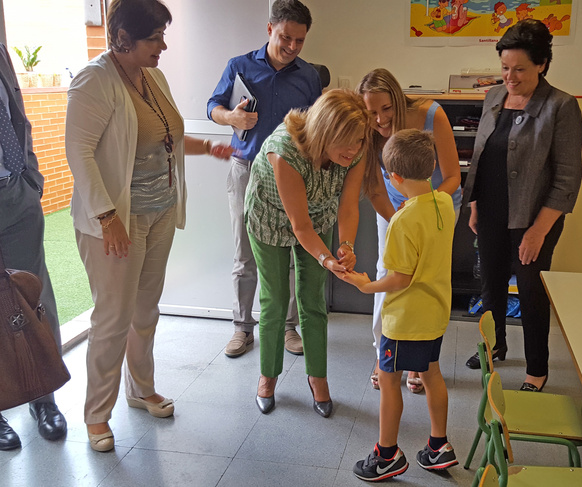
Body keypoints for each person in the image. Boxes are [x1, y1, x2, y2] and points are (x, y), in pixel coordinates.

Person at [65, 0, 233, 452]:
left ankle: (141, 390)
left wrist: (205, 149)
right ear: (124, 38)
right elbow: (78, 155)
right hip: (115, 221)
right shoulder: (94, 81)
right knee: (112, 318)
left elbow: (166, 134)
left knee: (145, 310)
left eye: (163, 35)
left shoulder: (152, 76)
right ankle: (97, 416)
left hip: (159, 212)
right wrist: (106, 217)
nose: (163, 45)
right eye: (155, 36)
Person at [463, 19, 582, 392]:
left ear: (542, 64)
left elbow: (567, 178)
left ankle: (537, 368)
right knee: (490, 282)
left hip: (534, 218)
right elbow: (484, 156)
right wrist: (476, 205)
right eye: (504, 68)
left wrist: (537, 231)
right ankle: (495, 344)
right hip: (492, 210)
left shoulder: (561, 106)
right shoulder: (494, 97)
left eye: (519, 70)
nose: (510, 78)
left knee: (530, 292)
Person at [343, 129, 459, 482]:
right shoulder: (443, 203)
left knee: (389, 380)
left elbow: (399, 278)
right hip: (435, 312)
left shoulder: (402, 221)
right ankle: (439, 446)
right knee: (431, 373)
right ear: (433, 166)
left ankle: (387, 454)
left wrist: (366, 285)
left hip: (404, 319)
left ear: (394, 178)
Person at [207, 0, 321, 358]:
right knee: (245, 254)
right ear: (270, 29)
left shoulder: (309, 75)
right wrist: (231, 119)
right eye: (286, 37)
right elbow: (212, 106)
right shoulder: (238, 66)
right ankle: (243, 328)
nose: (292, 47)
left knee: (288, 253)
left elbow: (318, 126)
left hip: (290, 176)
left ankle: (289, 328)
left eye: (300, 41)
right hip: (245, 170)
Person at [247, 89, 368, 418]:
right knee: (275, 299)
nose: (355, 150)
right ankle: (268, 377)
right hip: (270, 217)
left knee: (312, 300)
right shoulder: (285, 151)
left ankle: (318, 378)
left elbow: (348, 204)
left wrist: (346, 246)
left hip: (319, 215)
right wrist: (326, 258)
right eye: (348, 142)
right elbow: (300, 227)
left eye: (359, 141)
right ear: (326, 132)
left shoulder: (356, 149)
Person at [357, 68, 461, 394]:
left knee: (422, 277)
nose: (380, 119)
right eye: (372, 112)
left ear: (399, 100)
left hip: (437, 203)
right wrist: (399, 219)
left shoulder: (431, 114)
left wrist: (421, 209)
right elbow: (374, 187)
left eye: (386, 109)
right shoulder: (367, 128)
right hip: (393, 208)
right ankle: (383, 353)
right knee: (388, 271)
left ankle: (419, 361)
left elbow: (454, 176)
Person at [0, 43, 67, 451]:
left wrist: (31, 177)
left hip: (16, 195)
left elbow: (17, 115)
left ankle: (44, 397)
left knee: (35, 294)